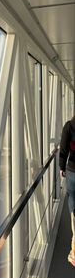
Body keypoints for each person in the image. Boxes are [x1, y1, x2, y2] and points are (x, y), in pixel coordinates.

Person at [59, 114, 75, 267]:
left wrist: (61, 167)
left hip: (72, 170)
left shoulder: (69, 126)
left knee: (73, 205)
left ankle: (74, 253)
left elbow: (63, 149)